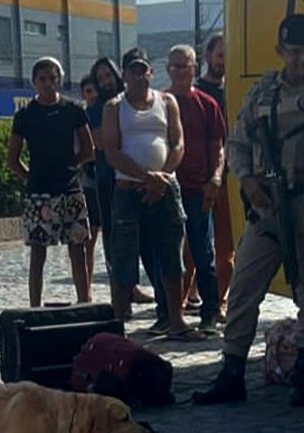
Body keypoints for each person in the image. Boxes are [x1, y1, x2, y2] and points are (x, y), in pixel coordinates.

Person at [193, 14, 304, 406]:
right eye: (292, 51)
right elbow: (237, 144)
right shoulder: (262, 92)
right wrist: (249, 182)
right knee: (242, 290)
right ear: (280, 52)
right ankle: (232, 372)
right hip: (269, 207)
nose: (300, 59)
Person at [102, 47, 201, 339]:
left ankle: (176, 320)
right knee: (123, 259)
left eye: (143, 69)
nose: (138, 75)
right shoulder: (113, 108)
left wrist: (164, 177)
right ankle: (117, 327)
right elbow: (111, 151)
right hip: (128, 190)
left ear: (151, 72)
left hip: (165, 190)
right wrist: (146, 177)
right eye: (132, 70)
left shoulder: (167, 101)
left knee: (172, 254)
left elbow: (178, 143)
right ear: (124, 75)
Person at [7, 57, 94, 307]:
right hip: (39, 194)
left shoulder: (73, 110)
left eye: (53, 78)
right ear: (34, 82)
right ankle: (35, 305)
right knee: (38, 252)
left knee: (77, 249)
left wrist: (70, 166)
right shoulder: (25, 115)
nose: (48, 84)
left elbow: (89, 149)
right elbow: (12, 159)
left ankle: (83, 301)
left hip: (70, 190)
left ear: (60, 80)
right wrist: (30, 179)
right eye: (42, 79)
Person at [165, 44, 225, 334]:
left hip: (199, 188)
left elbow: (218, 147)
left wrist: (215, 178)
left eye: (184, 66)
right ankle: (169, 314)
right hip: (168, 188)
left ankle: (210, 312)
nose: (179, 71)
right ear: (167, 70)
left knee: (204, 253)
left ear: (194, 68)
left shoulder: (207, 104)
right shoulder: (159, 103)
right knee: (168, 254)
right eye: (174, 66)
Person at [88, 57, 154, 309]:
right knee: (116, 239)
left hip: (139, 178)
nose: (105, 81)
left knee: (144, 237)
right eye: (100, 77)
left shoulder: (136, 104)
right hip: (109, 179)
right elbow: (103, 142)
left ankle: (136, 286)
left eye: (108, 75)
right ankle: (122, 296)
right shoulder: (97, 110)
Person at [195, 32, 235, 319]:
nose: (223, 61)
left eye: (228, 55)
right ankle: (186, 299)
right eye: (220, 55)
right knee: (193, 245)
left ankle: (220, 299)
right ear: (208, 55)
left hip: (231, 177)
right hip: (198, 177)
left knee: (227, 247)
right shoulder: (196, 91)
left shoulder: (237, 90)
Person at [79, 75, 101, 293]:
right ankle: (87, 287)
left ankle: (128, 289)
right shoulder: (81, 118)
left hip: (111, 180)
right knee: (90, 238)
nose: (92, 95)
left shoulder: (109, 112)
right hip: (90, 182)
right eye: (87, 91)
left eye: (94, 90)